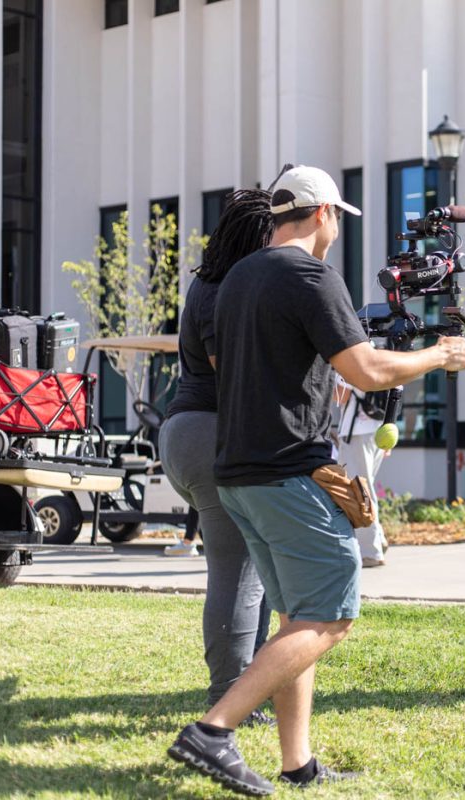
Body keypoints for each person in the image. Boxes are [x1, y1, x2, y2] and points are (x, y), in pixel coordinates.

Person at [166, 165, 465, 796]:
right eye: (337, 221)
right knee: (330, 617)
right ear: (325, 214)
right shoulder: (311, 275)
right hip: (286, 471)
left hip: (238, 474)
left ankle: (296, 762)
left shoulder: (237, 278)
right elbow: (366, 370)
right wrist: (439, 355)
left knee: (294, 616)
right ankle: (214, 731)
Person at [158, 189, 274, 719]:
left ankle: (249, 689)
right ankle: (230, 700)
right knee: (237, 567)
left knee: (264, 565)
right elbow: (232, 371)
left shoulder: (210, 284)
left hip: (192, 433)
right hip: (210, 433)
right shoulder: (223, 288)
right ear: (257, 237)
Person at [334, 375, 388, 567]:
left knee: (360, 491)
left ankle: (370, 551)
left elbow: (340, 396)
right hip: (377, 431)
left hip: (356, 432)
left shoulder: (350, 358)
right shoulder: (379, 350)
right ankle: (378, 537)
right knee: (367, 488)